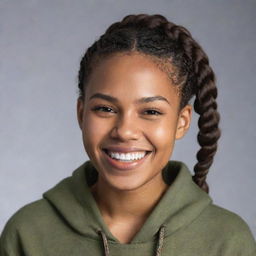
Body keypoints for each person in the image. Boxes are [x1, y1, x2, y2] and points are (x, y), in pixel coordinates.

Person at [0, 13, 255, 256]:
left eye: (151, 111)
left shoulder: (227, 240)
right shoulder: (28, 233)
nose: (125, 131)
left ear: (182, 122)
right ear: (81, 114)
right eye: (105, 109)